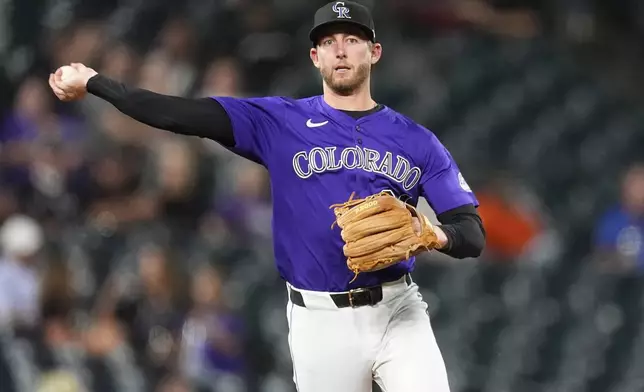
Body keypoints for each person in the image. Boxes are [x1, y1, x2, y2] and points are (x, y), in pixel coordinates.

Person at [48, 2, 485, 391]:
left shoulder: (418, 141)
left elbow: (472, 232)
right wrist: (96, 83)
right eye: (328, 42)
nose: (340, 50)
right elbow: (181, 114)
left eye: (353, 40)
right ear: (315, 57)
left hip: (398, 310)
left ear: (374, 53)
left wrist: (431, 233)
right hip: (320, 320)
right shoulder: (279, 121)